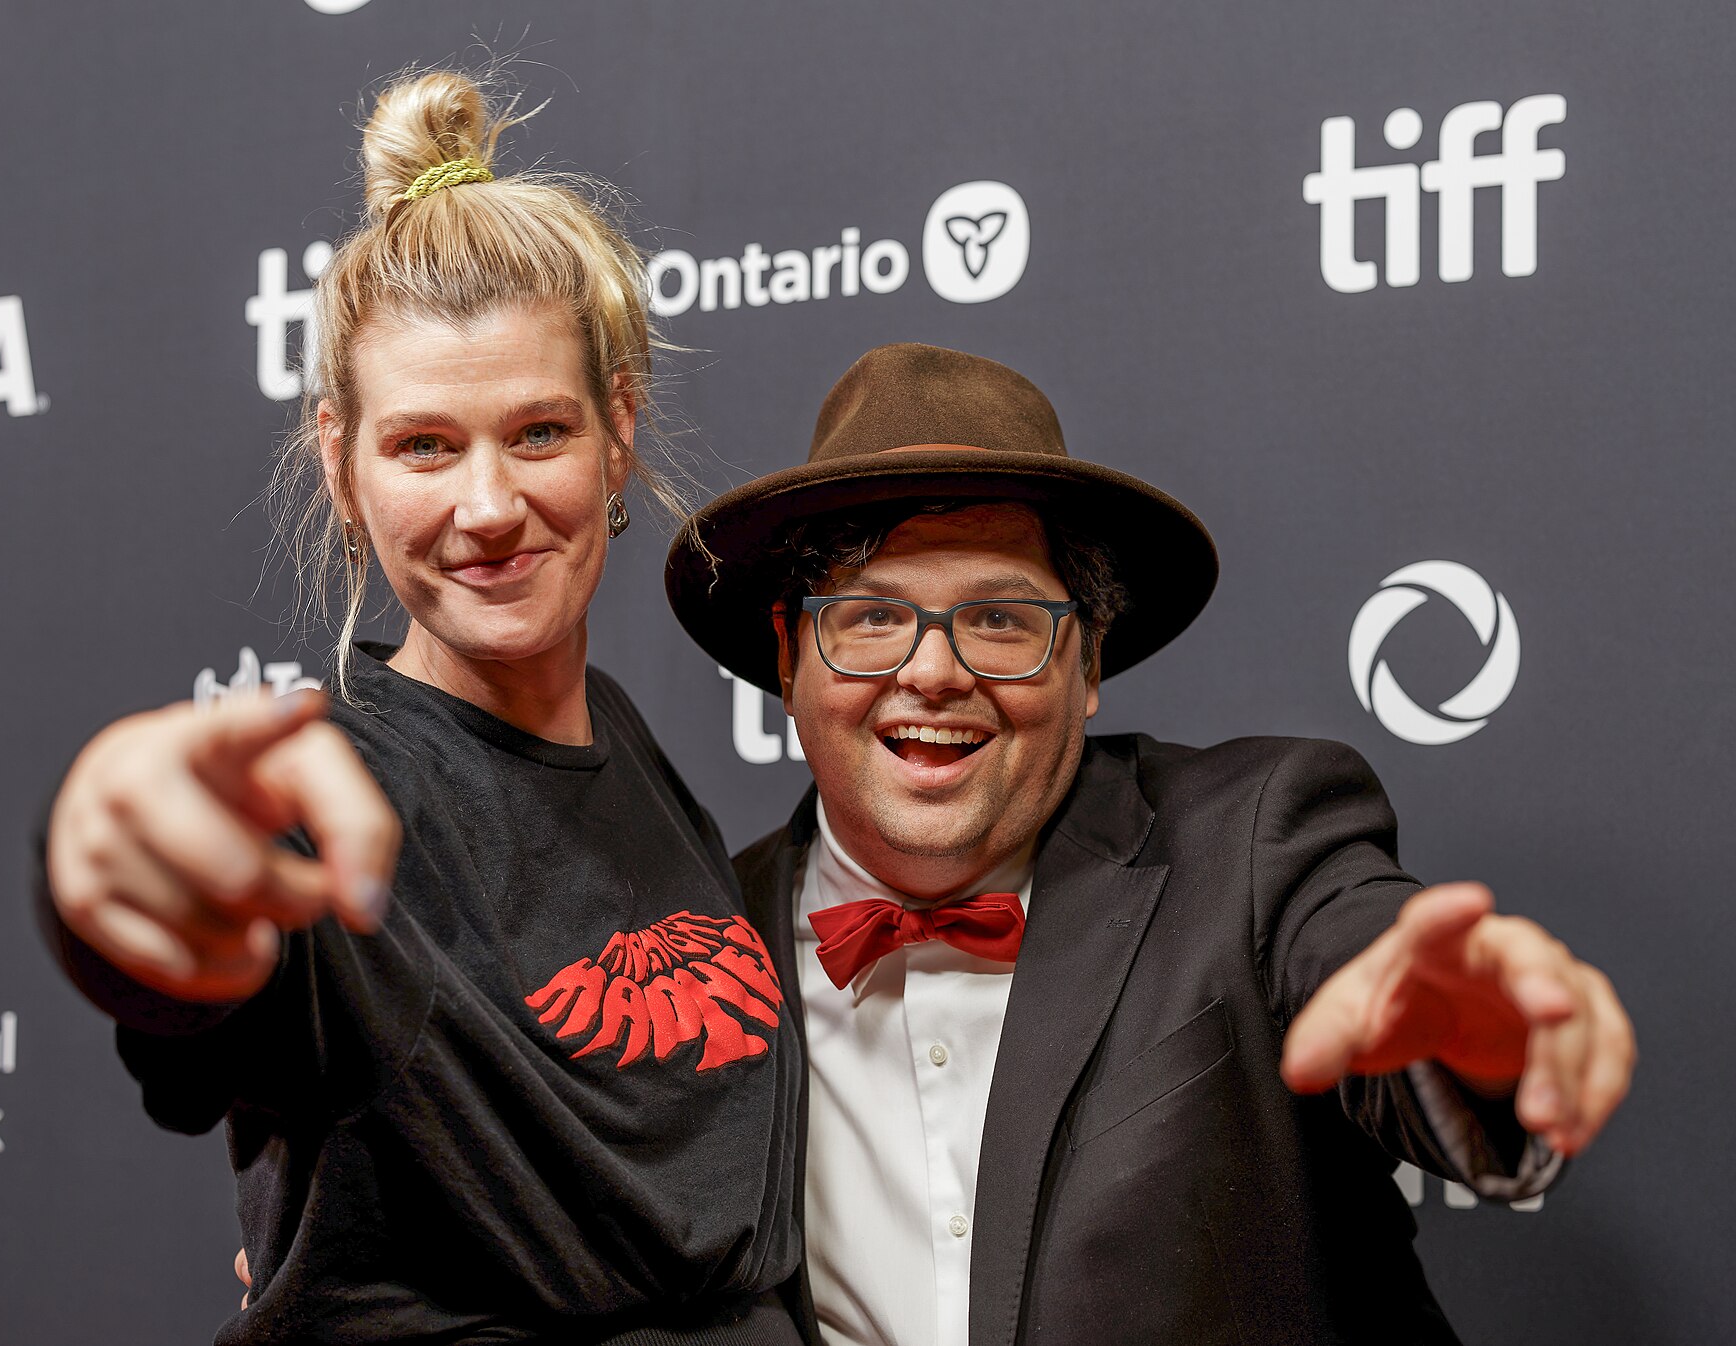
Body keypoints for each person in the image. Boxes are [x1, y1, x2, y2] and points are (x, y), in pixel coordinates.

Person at [656, 341, 1637, 1346]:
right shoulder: (697, 945)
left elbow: (1365, 953)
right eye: (870, 615)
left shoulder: (1255, 839)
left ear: (1088, 661)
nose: (934, 670)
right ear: (788, 658)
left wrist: (1469, 1040)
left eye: (1000, 617)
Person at [40, 71, 806, 1345]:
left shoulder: (620, 739)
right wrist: (107, 855)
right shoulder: (328, 797)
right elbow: (199, 980)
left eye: (540, 431)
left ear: (620, 432)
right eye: (425, 446)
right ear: (340, 465)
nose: (490, 505)